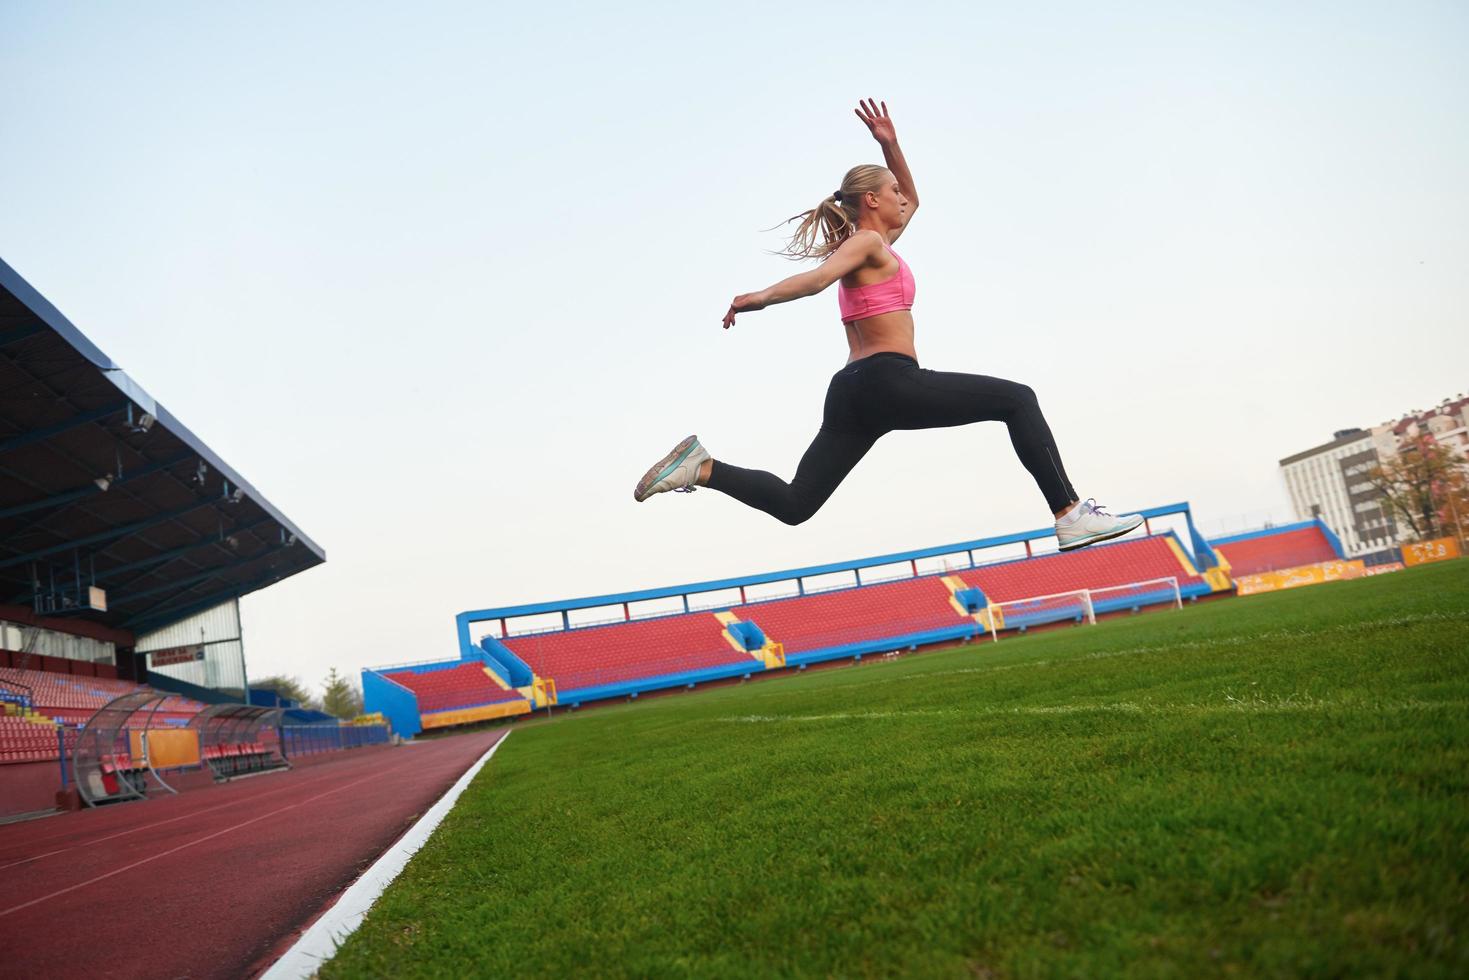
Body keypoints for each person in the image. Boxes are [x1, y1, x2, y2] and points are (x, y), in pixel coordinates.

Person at [634, 99, 1143, 552]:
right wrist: (756, 299)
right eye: (892, 190)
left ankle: (702, 467)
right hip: (887, 381)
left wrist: (892, 147)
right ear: (872, 201)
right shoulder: (867, 244)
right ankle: (1070, 514)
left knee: (797, 503)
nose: (904, 197)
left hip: (854, 392)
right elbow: (815, 282)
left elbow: (912, 203)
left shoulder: (876, 244)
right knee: (1018, 399)